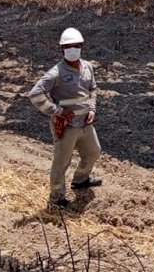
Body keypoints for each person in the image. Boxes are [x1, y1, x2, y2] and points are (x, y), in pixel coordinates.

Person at [28, 27, 102, 209]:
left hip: (85, 122)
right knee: (61, 163)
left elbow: (92, 90)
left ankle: (81, 179)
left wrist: (92, 108)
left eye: (76, 46)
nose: (72, 49)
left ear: (82, 46)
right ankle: (56, 197)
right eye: (68, 46)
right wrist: (56, 111)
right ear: (62, 49)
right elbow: (35, 95)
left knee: (94, 151)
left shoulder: (88, 67)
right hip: (67, 125)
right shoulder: (56, 73)